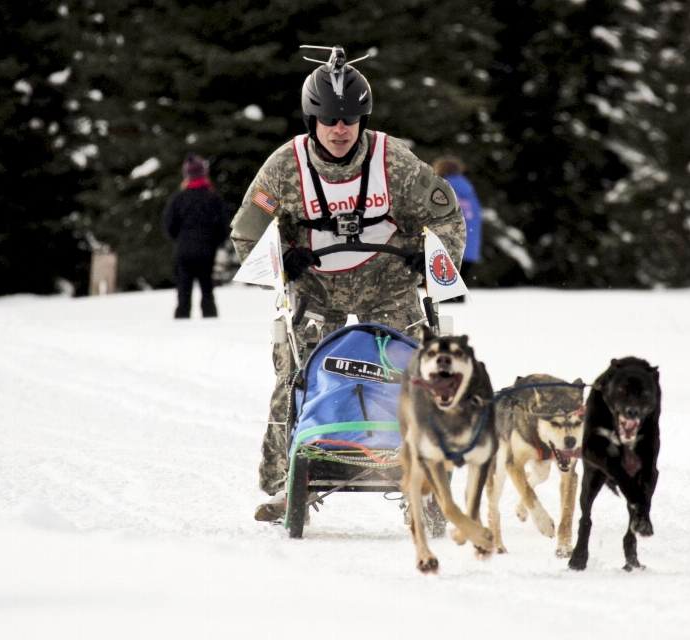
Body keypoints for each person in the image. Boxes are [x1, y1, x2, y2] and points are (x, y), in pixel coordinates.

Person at [229, 46, 466, 522]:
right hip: (316, 287)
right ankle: (283, 482)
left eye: (349, 119)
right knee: (294, 376)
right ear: (311, 120)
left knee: (419, 370)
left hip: (388, 283)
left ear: (363, 119)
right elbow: (246, 232)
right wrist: (281, 263)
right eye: (329, 119)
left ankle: (427, 478)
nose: (340, 129)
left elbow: (446, 215)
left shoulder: (393, 160)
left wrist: (432, 260)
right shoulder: (284, 167)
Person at [162, 155, 231, 319]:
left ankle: (180, 326)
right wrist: (217, 242)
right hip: (207, 251)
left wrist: (179, 239)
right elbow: (224, 225)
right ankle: (211, 323)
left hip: (184, 251)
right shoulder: (213, 197)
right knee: (207, 291)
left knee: (183, 293)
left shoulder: (179, 198)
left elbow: (168, 224)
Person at [432, 155, 482, 297]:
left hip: (447, 246)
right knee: (458, 292)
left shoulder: (441, 188)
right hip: (468, 246)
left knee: (446, 295)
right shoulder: (469, 190)